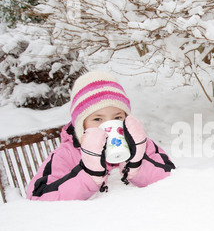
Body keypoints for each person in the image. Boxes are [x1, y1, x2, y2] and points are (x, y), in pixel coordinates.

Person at [27, 70, 175, 201]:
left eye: (117, 118)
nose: (108, 125)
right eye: (97, 119)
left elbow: (172, 177)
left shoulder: (142, 144)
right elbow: (37, 196)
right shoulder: (67, 153)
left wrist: (137, 165)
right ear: (81, 124)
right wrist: (89, 174)